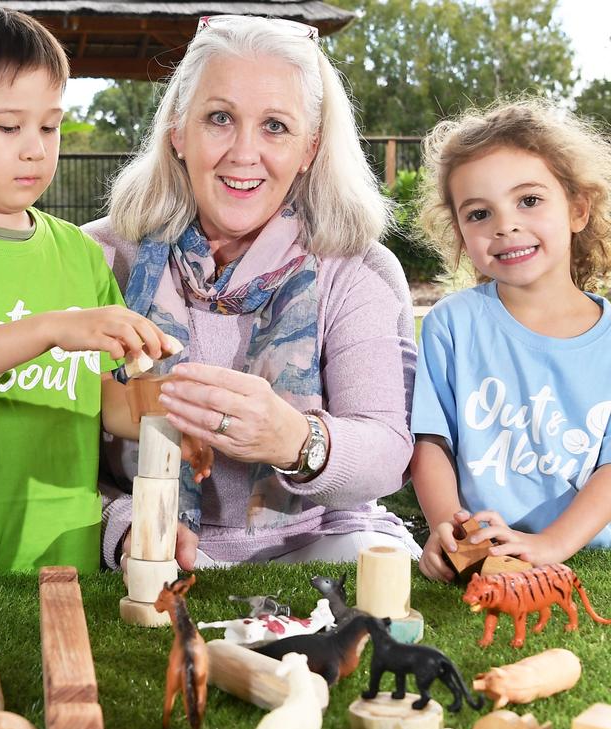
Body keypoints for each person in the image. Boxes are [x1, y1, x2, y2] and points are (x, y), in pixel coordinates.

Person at [0, 6, 206, 576]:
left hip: (57, 540)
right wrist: (54, 327)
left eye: (48, 126)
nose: (35, 148)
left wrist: (170, 419)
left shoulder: (78, 253)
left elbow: (105, 396)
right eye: (8, 127)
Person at [83, 14, 420, 571]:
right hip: (149, 546)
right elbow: (46, 440)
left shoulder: (358, 270)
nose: (244, 153)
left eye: (275, 127)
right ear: (177, 132)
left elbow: (388, 454)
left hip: (321, 543)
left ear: (309, 148)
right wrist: (125, 527)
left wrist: (295, 438)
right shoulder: (97, 256)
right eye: (220, 118)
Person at [412, 100, 611, 581]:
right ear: (460, 233)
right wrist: (448, 528)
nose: (505, 225)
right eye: (479, 213)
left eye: (529, 200)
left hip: (593, 555)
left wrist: (551, 545)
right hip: (486, 555)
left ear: (578, 210)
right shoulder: (451, 325)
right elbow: (431, 443)